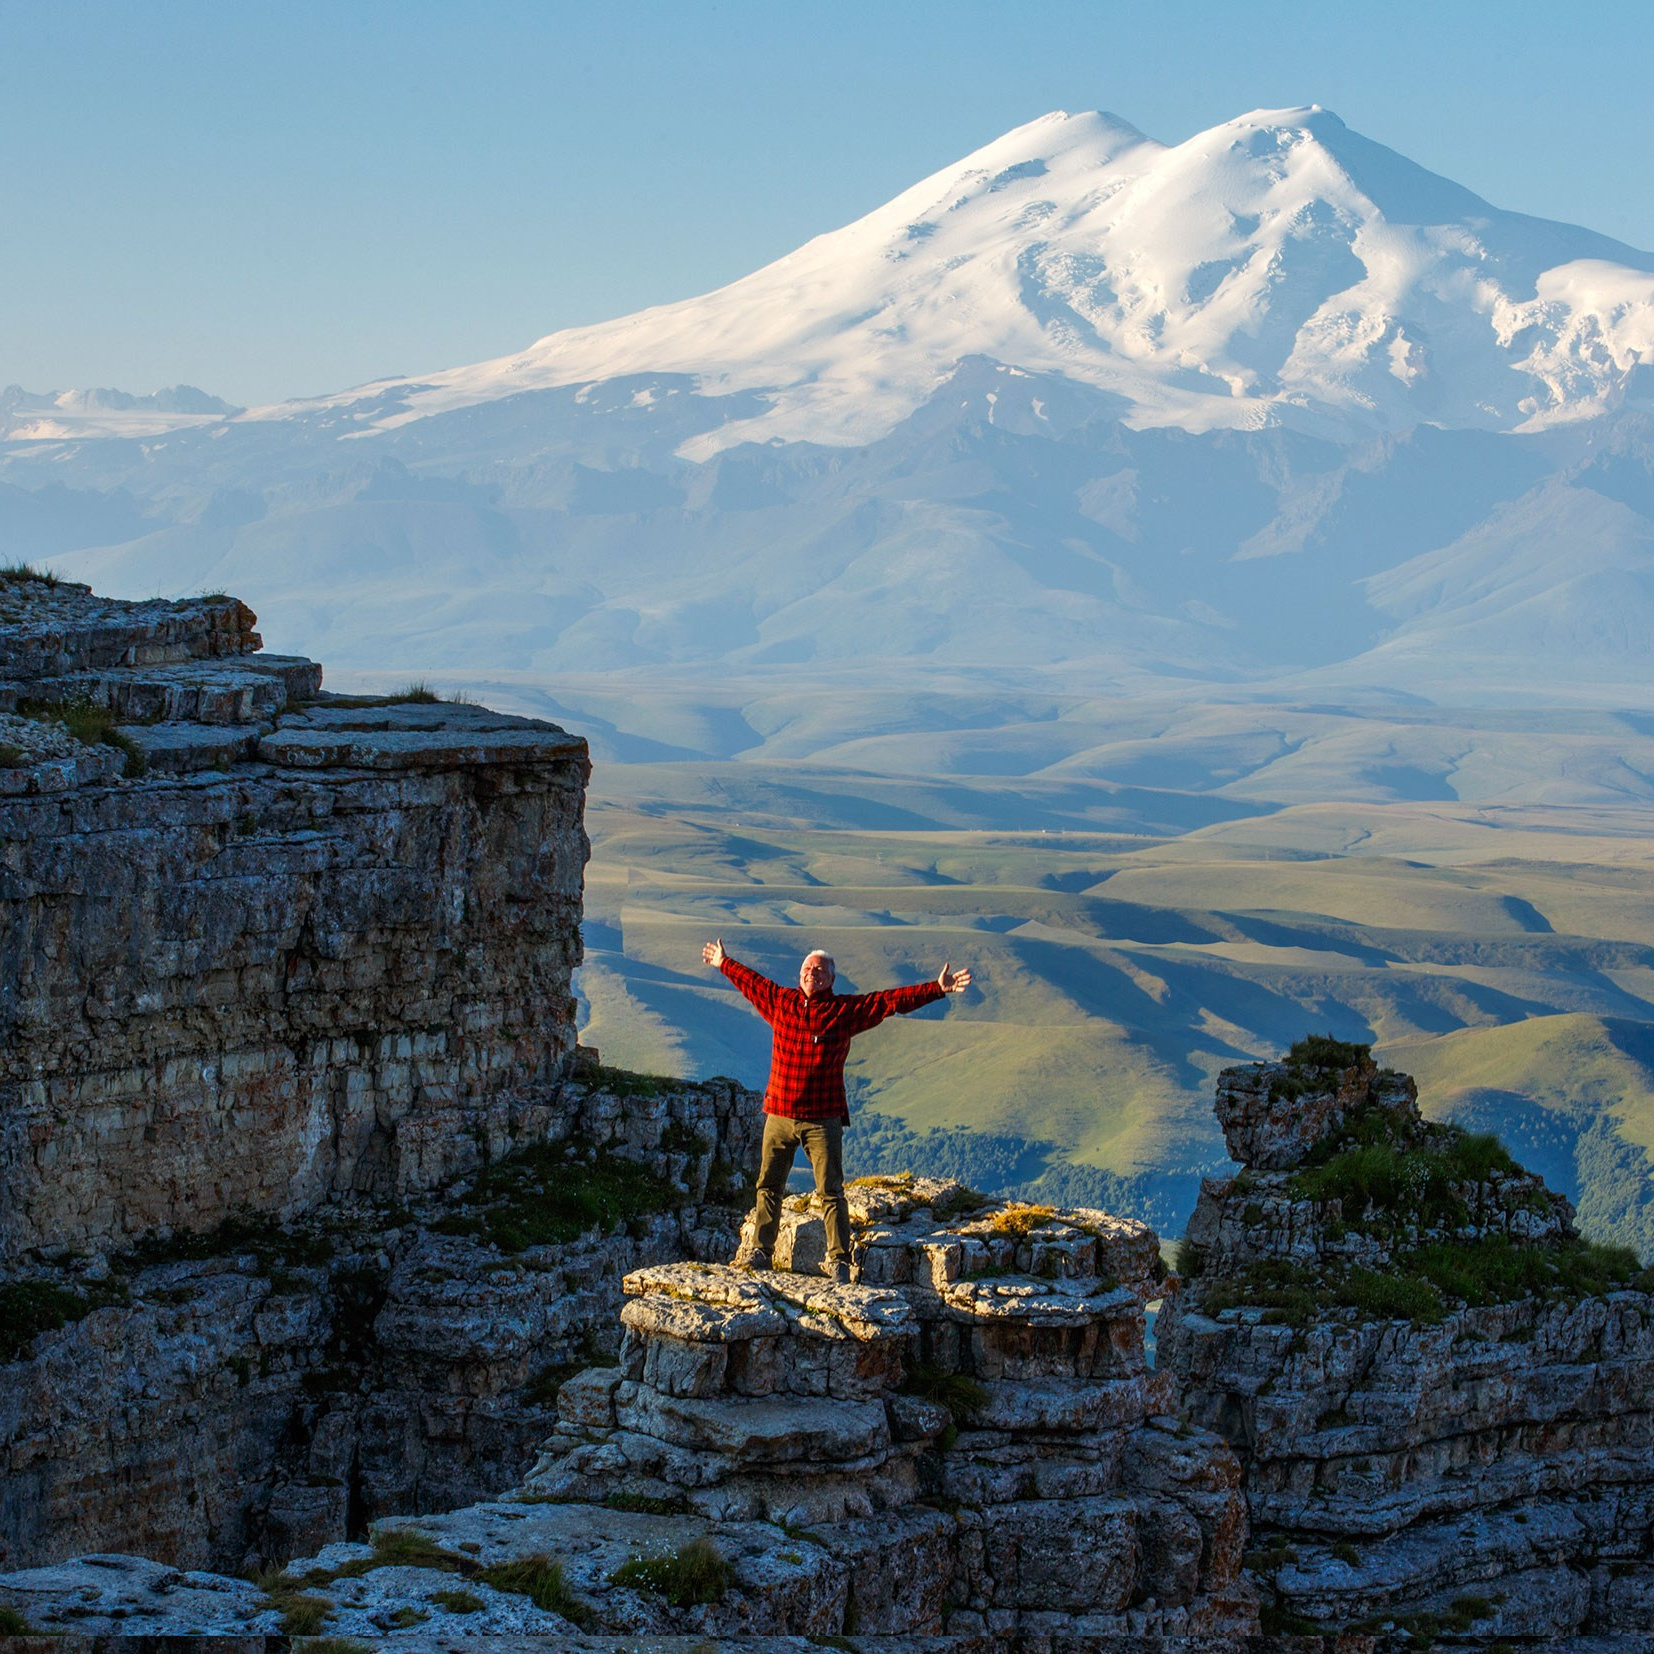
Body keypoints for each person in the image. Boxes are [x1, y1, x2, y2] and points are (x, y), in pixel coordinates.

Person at [701, 937, 973, 1283]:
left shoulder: (844, 1012)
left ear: (831, 978)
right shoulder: (780, 1002)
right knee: (768, 1185)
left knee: (830, 1191)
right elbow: (751, 982)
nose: (810, 974)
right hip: (779, 1115)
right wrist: (724, 962)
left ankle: (839, 1260)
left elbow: (888, 1002)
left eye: (818, 970)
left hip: (822, 1119)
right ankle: (761, 1251)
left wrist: (936, 988)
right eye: (806, 969)